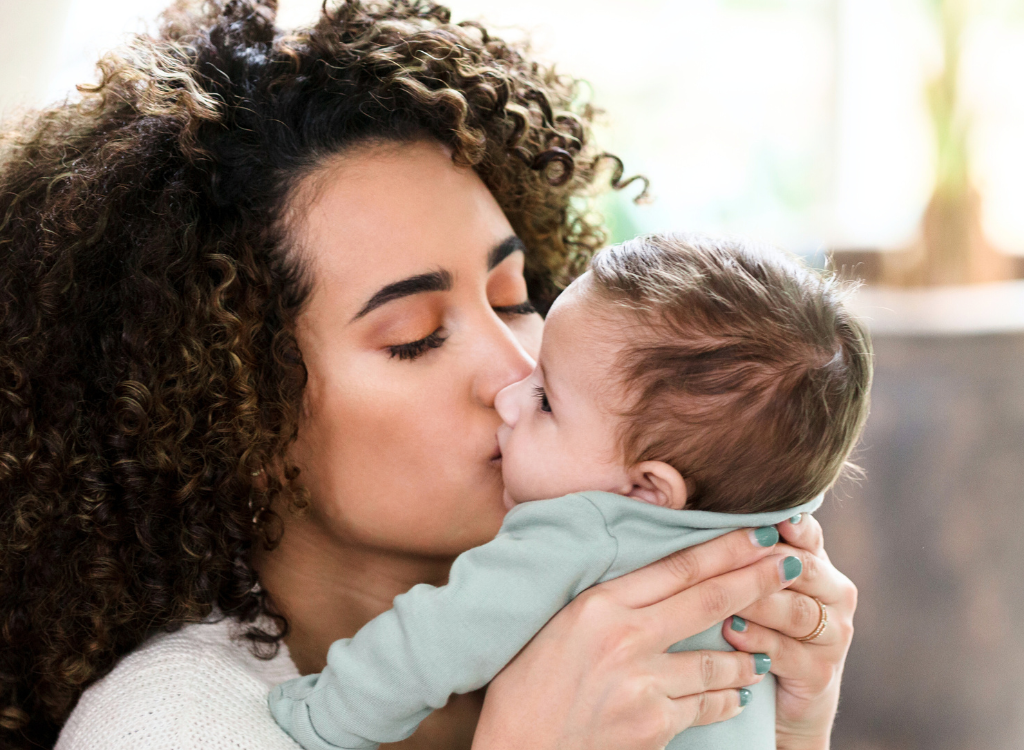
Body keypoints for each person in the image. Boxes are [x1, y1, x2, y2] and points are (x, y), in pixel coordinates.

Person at [0, 2, 859, 750]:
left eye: (515, 295)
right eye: (414, 336)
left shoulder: (634, 656)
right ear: (233, 413)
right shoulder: (171, 725)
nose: (519, 369)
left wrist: (791, 729)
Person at [266, 234, 872, 750]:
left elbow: (429, 644)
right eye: (415, 336)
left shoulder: (581, 533)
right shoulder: (775, 538)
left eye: (546, 400)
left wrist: (319, 717)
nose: (510, 391)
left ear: (647, 488)